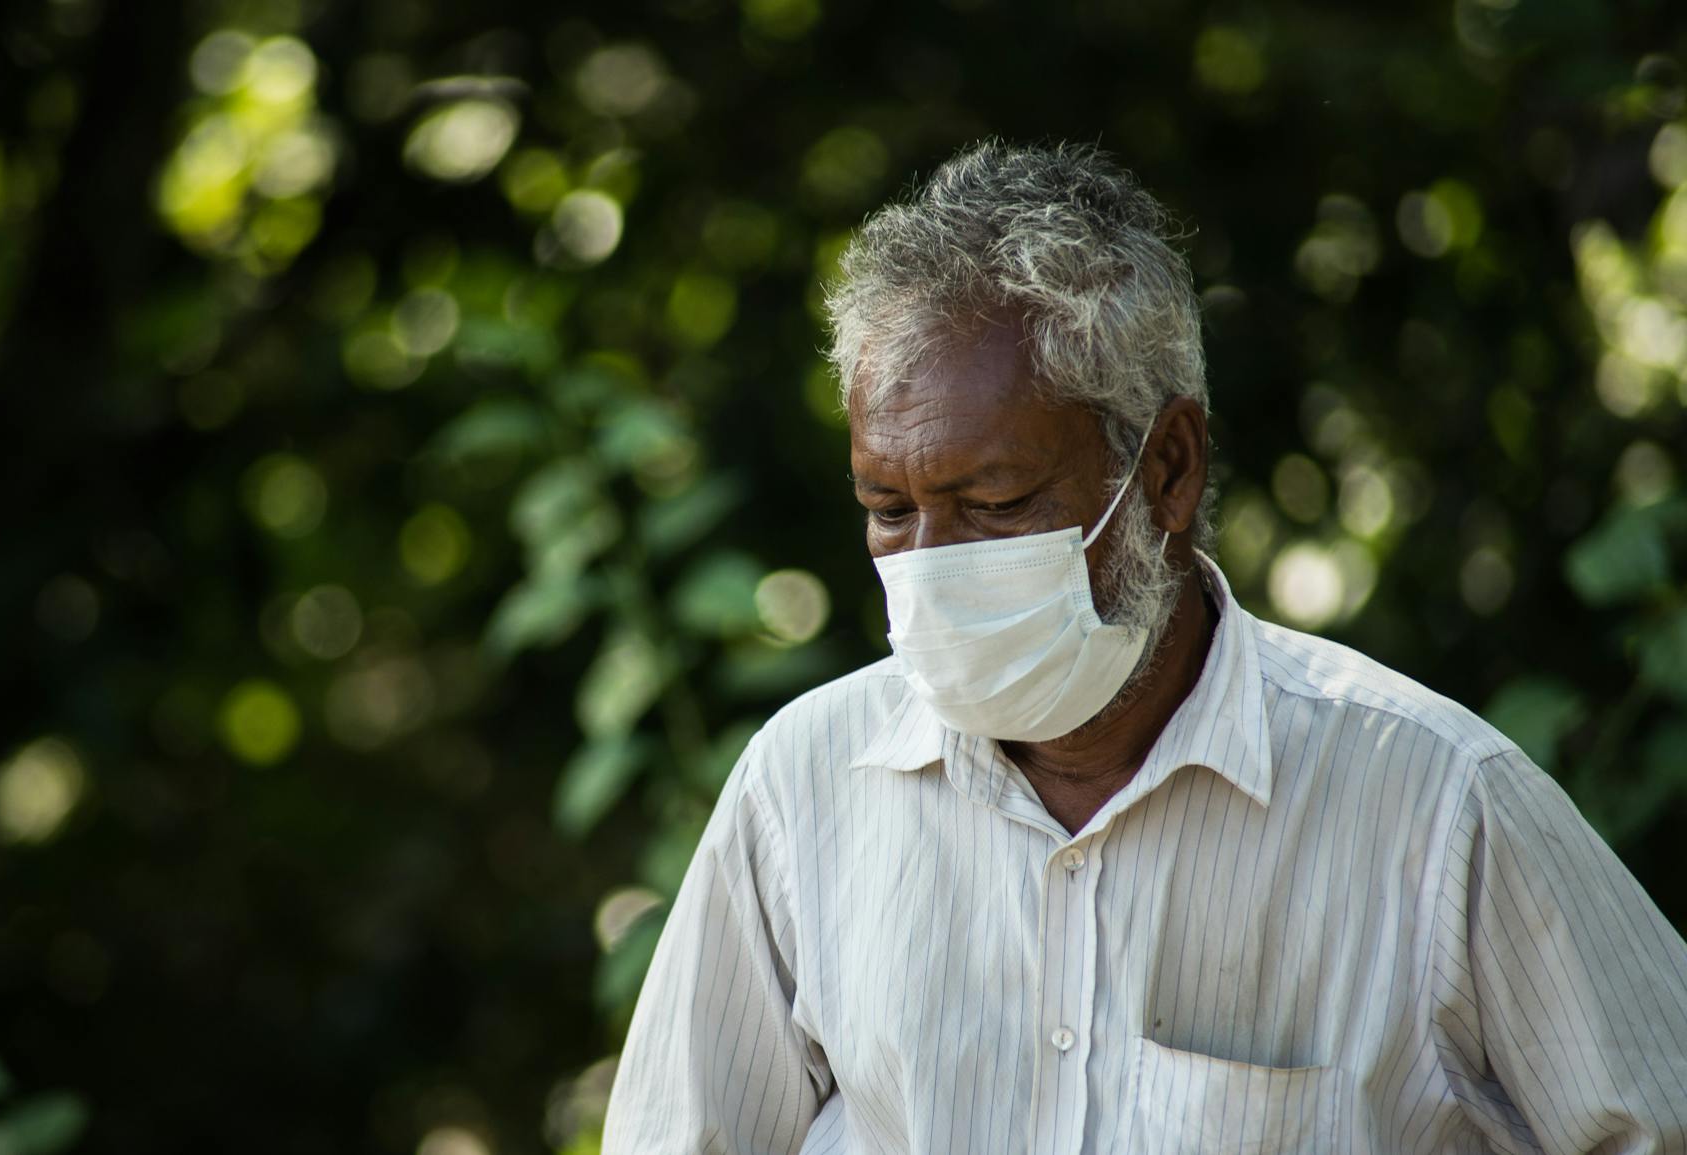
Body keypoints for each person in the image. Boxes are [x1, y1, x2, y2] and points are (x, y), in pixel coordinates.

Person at [600, 140, 1687, 1154]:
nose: (931, 562)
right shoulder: (801, 792)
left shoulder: (1437, 805)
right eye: (889, 509)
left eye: (995, 501)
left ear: (1168, 470)